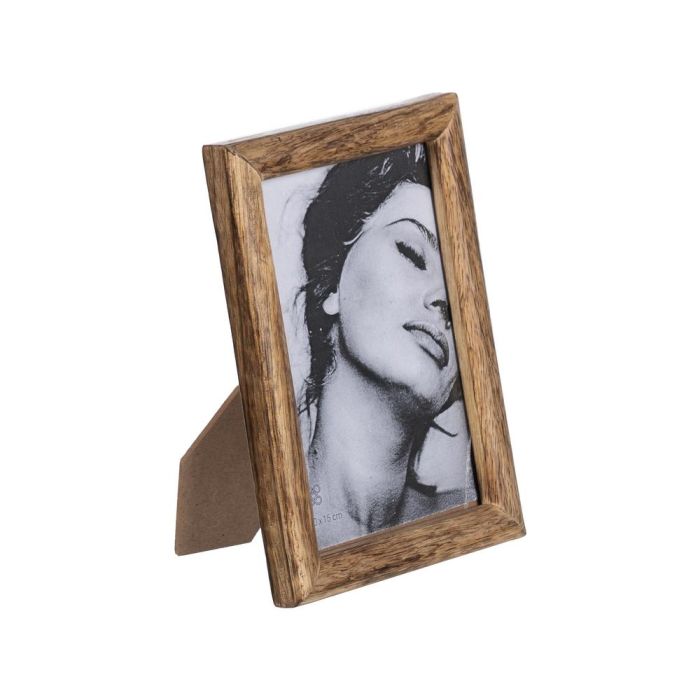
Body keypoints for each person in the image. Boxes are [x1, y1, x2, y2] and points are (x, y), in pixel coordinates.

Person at [297, 144, 475, 548]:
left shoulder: (471, 519)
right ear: (331, 285)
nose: (446, 299)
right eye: (413, 254)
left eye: (465, 291)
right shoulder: (268, 530)